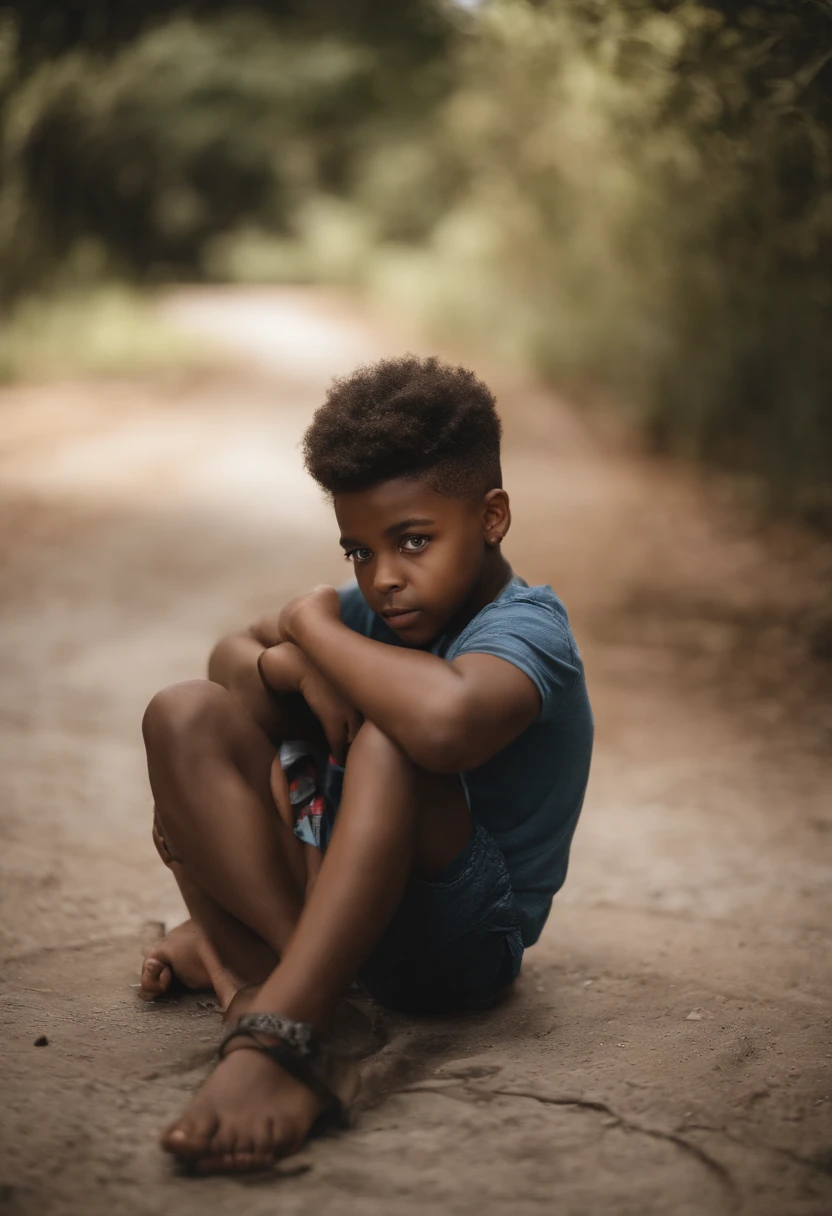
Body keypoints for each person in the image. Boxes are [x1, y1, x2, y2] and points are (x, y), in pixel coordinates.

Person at [140, 354, 594, 1173]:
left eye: (413, 542)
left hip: (458, 946)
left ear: (492, 516)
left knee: (393, 731)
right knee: (181, 714)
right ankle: (299, 974)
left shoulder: (530, 631)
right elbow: (226, 657)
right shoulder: (381, 609)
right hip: (349, 903)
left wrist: (310, 628)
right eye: (358, 551)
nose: (384, 579)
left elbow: (445, 722)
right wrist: (295, 666)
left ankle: (280, 1026)